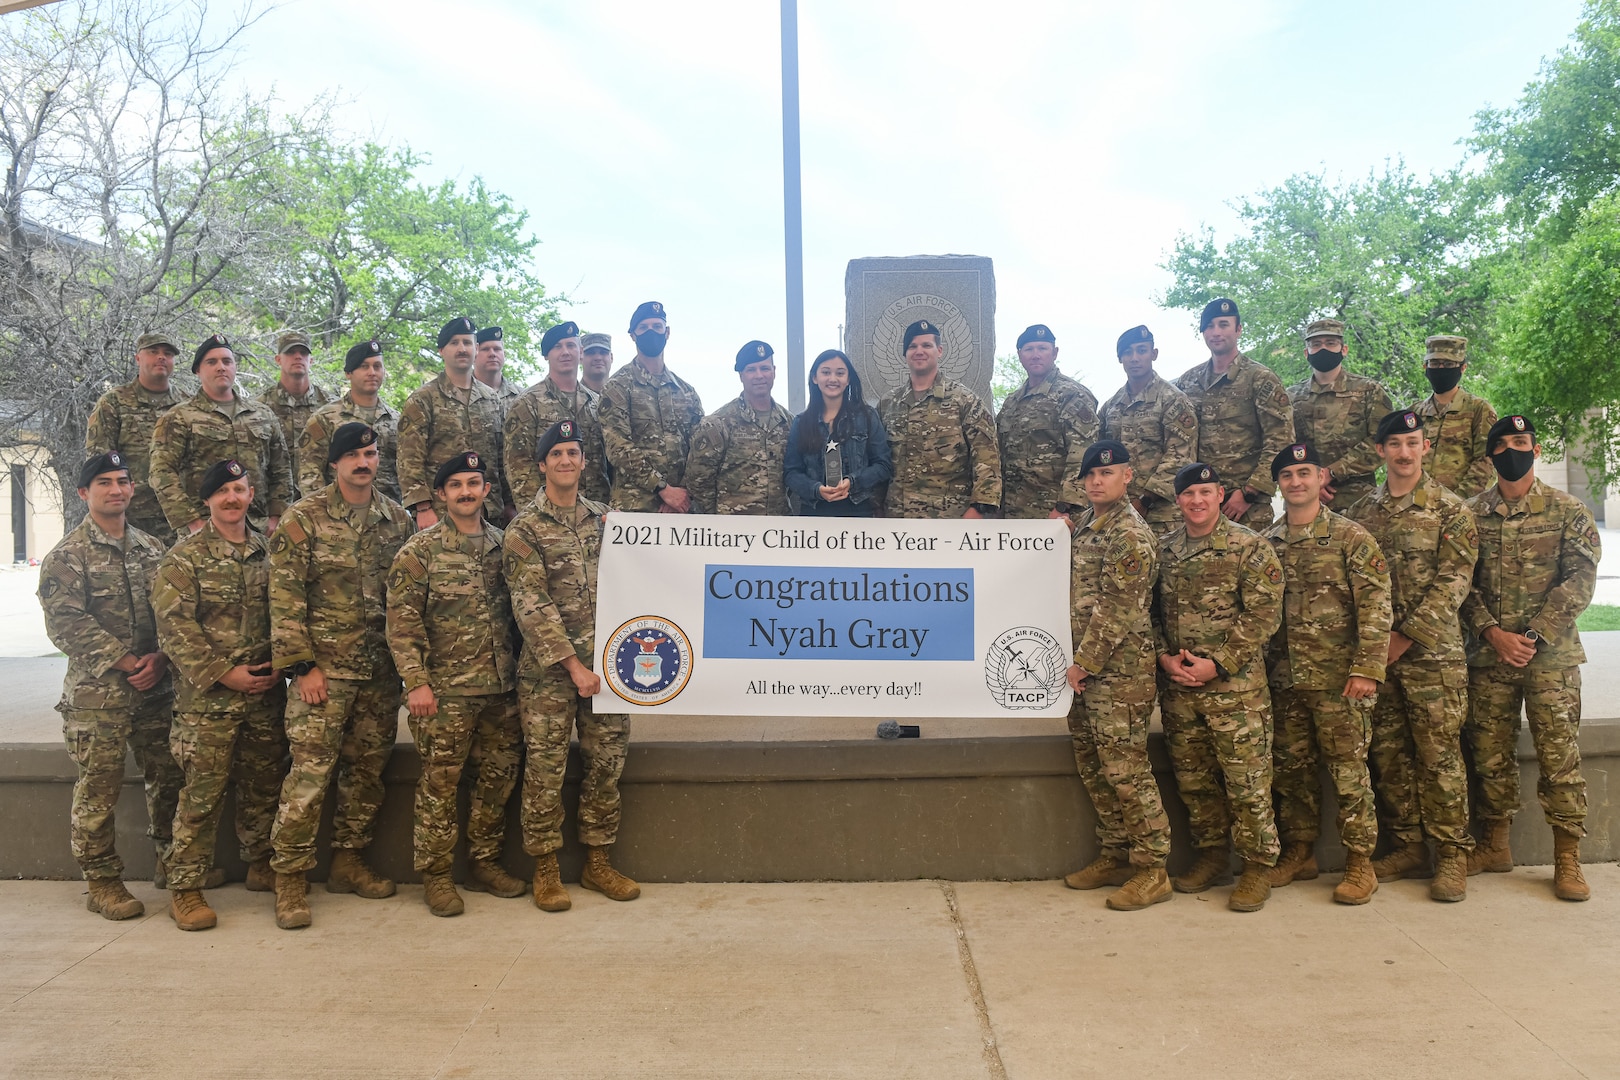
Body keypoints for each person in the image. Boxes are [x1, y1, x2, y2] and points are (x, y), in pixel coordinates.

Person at [267, 422, 414, 929]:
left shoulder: (396, 519)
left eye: (370, 453)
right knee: (309, 777)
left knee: (366, 775)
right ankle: (289, 879)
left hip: (378, 674)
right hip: (323, 676)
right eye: (352, 454)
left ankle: (348, 861)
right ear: (334, 463)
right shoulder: (303, 518)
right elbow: (284, 597)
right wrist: (302, 666)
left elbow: (407, 597)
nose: (363, 462)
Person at [1461, 414, 1599, 901]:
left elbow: (1580, 581)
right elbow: (1462, 584)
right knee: (1489, 755)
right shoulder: (1469, 514)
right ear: (1489, 457)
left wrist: (1534, 636)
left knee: (1560, 758)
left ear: (1536, 450)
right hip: (1488, 658)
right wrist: (1492, 633)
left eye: (1522, 442)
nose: (1513, 450)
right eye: (1503, 444)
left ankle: (1567, 859)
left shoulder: (1568, 511)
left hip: (1551, 661)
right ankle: (1495, 845)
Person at [38, 451, 182, 919]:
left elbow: (172, 611)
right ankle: (102, 883)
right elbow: (65, 624)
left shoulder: (153, 549)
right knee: (99, 788)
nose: (116, 489)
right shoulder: (67, 556)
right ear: (84, 492)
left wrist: (160, 658)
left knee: (169, 779)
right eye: (104, 482)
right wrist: (127, 661)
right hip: (97, 697)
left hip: (154, 689)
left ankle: (173, 862)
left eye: (122, 481)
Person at [1345, 410, 1479, 902]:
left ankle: (1450, 855)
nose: (1404, 452)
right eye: (1395, 443)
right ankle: (1406, 845)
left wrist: (1404, 637)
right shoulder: (1361, 513)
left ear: (1426, 448)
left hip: (1432, 656)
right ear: (1380, 451)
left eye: (1413, 442)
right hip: (1377, 657)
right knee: (1389, 753)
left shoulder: (1451, 510)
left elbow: (1455, 581)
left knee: (1438, 755)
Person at [505, 420, 639, 911]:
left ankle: (598, 861)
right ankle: (545, 868)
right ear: (541, 465)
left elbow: (649, 573)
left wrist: (633, 536)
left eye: (573, 452)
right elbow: (530, 604)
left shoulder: (607, 521)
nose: (565, 460)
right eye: (556, 453)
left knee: (606, 765)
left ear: (584, 462)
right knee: (546, 769)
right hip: (549, 675)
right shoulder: (524, 529)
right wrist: (572, 666)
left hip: (609, 668)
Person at [151, 459, 289, 930]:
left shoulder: (270, 552)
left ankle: (260, 863)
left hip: (265, 693)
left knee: (263, 784)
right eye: (223, 491)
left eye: (240, 489)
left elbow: (287, 614)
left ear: (252, 495)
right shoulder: (184, 558)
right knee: (202, 794)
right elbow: (174, 628)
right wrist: (223, 673)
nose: (232, 498)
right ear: (207, 500)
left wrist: (280, 667)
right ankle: (185, 887)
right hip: (207, 701)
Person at [387, 451, 526, 916]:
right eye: (456, 485)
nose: (466, 491)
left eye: (474, 483)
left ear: (487, 490)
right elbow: (402, 623)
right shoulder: (420, 551)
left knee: (497, 780)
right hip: (445, 692)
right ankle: (437, 875)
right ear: (442, 494)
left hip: (502, 690)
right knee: (440, 786)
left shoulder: (506, 546)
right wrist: (416, 684)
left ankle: (484, 861)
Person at [1262, 443, 1392, 904]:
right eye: (1287, 475)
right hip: (1285, 679)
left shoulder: (1351, 537)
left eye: (1304, 473)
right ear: (1278, 484)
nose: (1295, 482)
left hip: (1340, 680)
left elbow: (1377, 606)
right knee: (1291, 771)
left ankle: (1360, 862)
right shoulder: (1267, 542)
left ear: (1321, 478)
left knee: (1349, 772)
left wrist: (1367, 669)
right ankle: (1300, 851)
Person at [1153, 462, 1284, 912]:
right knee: (1195, 782)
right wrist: (1163, 656)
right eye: (1189, 494)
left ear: (1220, 494)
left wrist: (1220, 664)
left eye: (1206, 492)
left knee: (1246, 782)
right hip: (1181, 690)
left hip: (1236, 693)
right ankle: (1212, 855)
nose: (1197, 501)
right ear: (1178, 499)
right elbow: (1148, 613)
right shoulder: (1165, 550)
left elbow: (1265, 613)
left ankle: (1257, 866)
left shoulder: (1250, 546)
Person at [1060, 440, 1173, 910]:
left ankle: (1152, 868)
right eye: (1090, 476)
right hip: (1083, 674)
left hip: (1117, 674)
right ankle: (1116, 853)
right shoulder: (1089, 524)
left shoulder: (1129, 533)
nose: (1096, 482)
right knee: (1094, 767)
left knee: (1126, 771)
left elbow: (1118, 608)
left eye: (1107, 474)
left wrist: (1083, 662)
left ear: (1128, 476)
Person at [149, 334, 293, 537]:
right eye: (211, 362)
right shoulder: (179, 417)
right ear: (198, 370)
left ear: (235, 367)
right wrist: (192, 522)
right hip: (205, 530)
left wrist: (277, 516)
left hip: (259, 529)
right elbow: (161, 473)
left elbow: (281, 469)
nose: (221, 367)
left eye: (227, 361)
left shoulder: (262, 414)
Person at [1174, 298, 1294, 529]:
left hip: (1245, 508)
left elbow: (1281, 440)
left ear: (1238, 330)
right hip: (1199, 503)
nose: (1216, 332)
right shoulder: (1188, 381)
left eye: (1223, 324)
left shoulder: (1259, 378)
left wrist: (1249, 493)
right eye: (1209, 326)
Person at [878, 319, 1002, 518]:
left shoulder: (965, 401)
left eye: (927, 345)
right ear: (905, 354)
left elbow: (987, 459)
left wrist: (979, 510)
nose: (919, 351)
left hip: (950, 521)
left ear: (940, 350)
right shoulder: (888, 404)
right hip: (896, 520)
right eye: (912, 346)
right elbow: (879, 461)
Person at [398, 316, 509, 527]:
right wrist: (422, 508)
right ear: (441, 350)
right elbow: (409, 460)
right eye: (454, 343)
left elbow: (501, 457)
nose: (462, 349)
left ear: (476, 348)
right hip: (441, 513)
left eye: (467, 343)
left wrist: (509, 503)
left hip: (489, 511)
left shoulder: (491, 398)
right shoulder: (423, 399)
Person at [598, 300, 705, 513]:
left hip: (681, 510)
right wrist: (663, 489)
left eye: (657, 327)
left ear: (667, 332)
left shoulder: (686, 391)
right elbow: (618, 447)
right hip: (635, 509)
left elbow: (701, 448)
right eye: (644, 328)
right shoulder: (617, 387)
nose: (651, 332)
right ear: (633, 335)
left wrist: (682, 493)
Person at [85, 331, 189, 541]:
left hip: (182, 518)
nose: (161, 357)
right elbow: (99, 462)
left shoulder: (188, 405)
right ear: (138, 358)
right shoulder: (113, 403)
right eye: (153, 351)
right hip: (133, 520)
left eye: (168, 353)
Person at [1099, 325, 1199, 534]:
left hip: (1162, 514)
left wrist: (1145, 500)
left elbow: (1180, 456)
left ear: (1153, 354)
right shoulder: (1111, 406)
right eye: (1128, 352)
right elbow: (1099, 455)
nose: (1135, 358)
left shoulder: (1173, 400)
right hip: (1118, 512)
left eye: (1141, 350)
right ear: (1120, 358)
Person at [1286, 319, 1393, 511]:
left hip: (1357, 502)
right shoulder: (1291, 396)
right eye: (1316, 345)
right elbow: (1284, 445)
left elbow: (1382, 442)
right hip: (1303, 498)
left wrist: (1331, 473)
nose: (1323, 349)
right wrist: (1310, 481)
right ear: (1306, 353)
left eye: (1331, 343)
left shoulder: (1369, 391)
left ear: (1344, 349)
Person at [996, 324, 1099, 522]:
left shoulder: (1072, 394)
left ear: (1054, 352)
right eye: (1029, 349)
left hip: (1057, 513)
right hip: (1014, 514)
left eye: (1042, 348)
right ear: (1020, 354)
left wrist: (1064, 506)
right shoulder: (1012, 402)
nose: (1036, 355)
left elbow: (1083, 454)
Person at [503, 320, 610, 507]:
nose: (565, 352)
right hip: (548, 516)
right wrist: (536, 516)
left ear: (581, 352)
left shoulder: (596, 403)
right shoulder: (528, 403)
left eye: (571, 345)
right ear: (546, 355)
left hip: (596, 512)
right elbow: (519, 468)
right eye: (557, 347)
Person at [683, 340, 793, 515]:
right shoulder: (718, 424)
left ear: (774, 372)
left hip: (777, 533)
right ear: (741, 375)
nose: (759, 375)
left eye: (765, 368)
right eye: (751, 370)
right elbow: (698, 482)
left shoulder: (789, 423)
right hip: (732, 534)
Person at [784, 349, 892, 517]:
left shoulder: (867, 417)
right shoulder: (801, 422)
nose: (832, 379)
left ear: (848, 379)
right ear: (814, 378)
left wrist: (853, 481)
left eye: (840, 373)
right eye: (825, 372)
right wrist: (816, 489)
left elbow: (883, 465)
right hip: (814, 513)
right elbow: (791, 473)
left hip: (859, 511)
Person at [299, 339, 401, 503]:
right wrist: (320, 512)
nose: (372, 372)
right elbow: (310, 472)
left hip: (388, 516)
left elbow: (406, 470)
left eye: (377, 366)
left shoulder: (397, 420)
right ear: (348, 373)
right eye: (364, 366)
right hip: (337, 514)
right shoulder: (325, 418)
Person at [1413, 335, 1498, 497]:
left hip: (1461, 508)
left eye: (1449, 364)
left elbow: (1487, 460)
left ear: (1463, 367)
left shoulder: (1478, 409)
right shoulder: (1414, 413)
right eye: (1435, 363)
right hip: (1416, 505)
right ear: (1425, 366)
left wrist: (1458, 502)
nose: (1441, 369)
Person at [259, 331, 334, 498]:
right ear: (278, 359)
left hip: (321, 502)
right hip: (275, 505)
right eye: (290, 352)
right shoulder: (259, 407)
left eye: (303, 353)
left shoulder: (331, 406)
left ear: (311, 361)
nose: (298, 357)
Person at [474, 325, 525, 421]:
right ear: (474, 355)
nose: (492, 354)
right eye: (485, 349)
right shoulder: (460, 394)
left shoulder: (523, 396)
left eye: (497, 349)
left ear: (504, 354)